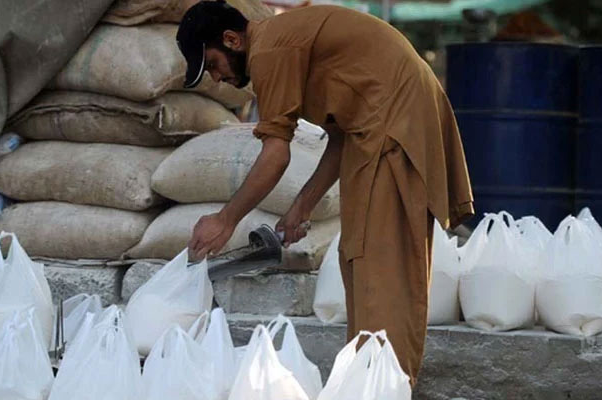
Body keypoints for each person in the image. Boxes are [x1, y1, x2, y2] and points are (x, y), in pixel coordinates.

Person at [177, 0, 473, 385]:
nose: (217, 78)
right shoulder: (281, 43)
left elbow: (276, 154)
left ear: (232, 40)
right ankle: (367, 382)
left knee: (383, 272)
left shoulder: (269, 52)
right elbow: (340, 134)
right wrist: (302, 207)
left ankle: (385, 387)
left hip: (396, 128)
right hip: (377, 128)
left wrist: (225, 220)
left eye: (213, 65)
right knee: (360, 262)